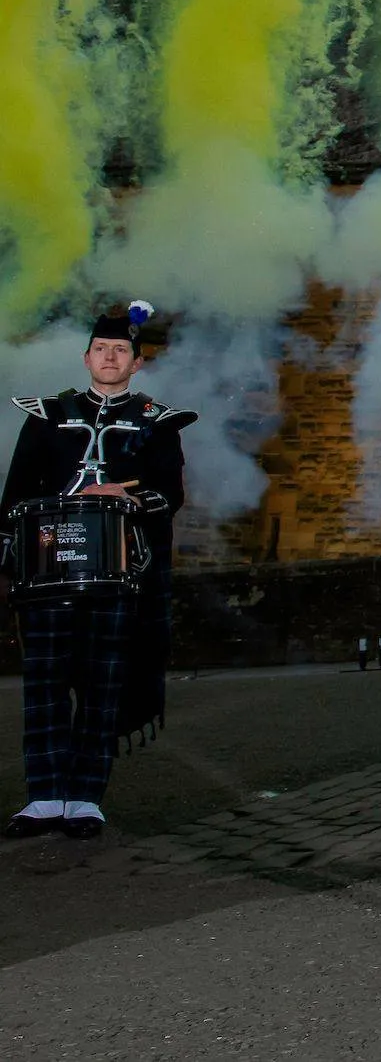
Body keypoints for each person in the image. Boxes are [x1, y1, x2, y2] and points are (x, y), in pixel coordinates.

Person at [3, 305, 192, 840]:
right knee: (43, 684)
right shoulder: (48, 415)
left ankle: (85, 798)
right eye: (102, 350)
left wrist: (121, 495)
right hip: (46, 570)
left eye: (121, 352)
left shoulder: (157, 421)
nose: (110, 358)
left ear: (137, 362)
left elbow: (169, 496)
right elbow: (15, 495)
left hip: (118, 570)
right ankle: (43, 798)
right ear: (87, 357)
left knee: (102, 684)